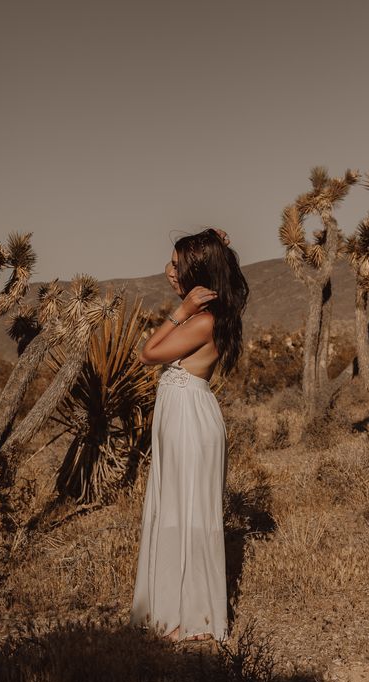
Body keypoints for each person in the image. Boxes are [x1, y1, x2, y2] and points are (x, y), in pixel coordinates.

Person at [129, 227, 249, 643]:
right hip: (183, 416)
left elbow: (147, 354)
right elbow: (171, 268)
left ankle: (193, 616)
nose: (172, 271)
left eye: (182, 266)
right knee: (178, 510)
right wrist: (208, 243)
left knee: (188, 513)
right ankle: (175, 608)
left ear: (198, 277)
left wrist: (179, 310)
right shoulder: (211, 312)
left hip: (189, 420)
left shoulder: (202, 321)